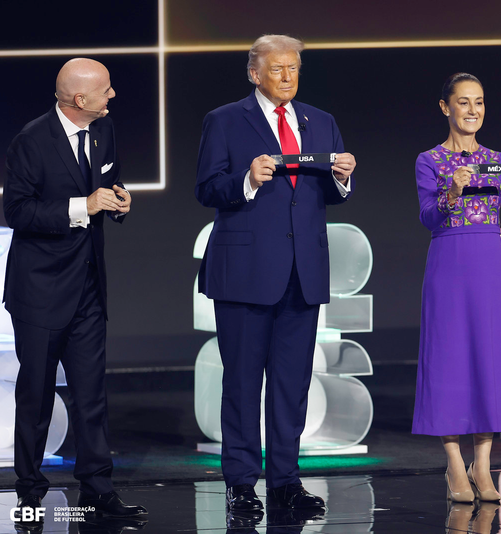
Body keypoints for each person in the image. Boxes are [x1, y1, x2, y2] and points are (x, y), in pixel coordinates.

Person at [195, 35, 356, 514]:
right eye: (278, 68)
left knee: (291, 385)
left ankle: (286, 482)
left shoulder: (321, 121)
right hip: (245, 274)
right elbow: (206, 188)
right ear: (254, 73)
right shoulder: (225, 120)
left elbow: (323, 193)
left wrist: (342, 177)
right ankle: (241, 484)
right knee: (242, 385)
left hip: (302, 274)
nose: (287, 77)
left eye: (294, 68)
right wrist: (246, 179)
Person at [3, 58, 147, 521]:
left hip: (87, 287)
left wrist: (118, 200)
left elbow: (108, 182)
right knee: (37, 396)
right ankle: (30, 493)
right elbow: (18, 212)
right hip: (40, 291)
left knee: (91, 396)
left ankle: (98, 490)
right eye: (106, 89)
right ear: (79, 99)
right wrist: (82, 205)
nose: (113, 95)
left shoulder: (103, 129)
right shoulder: (31, 141)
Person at [412, 73, 501, 502]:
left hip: (489, 268)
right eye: (464, 102)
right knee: (448, 362)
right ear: (445, 107)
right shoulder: (429, 160)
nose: (473, 110)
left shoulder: (497, 159)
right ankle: (455, 465)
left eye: (479, 102)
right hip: (448, 267)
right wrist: (452, 191)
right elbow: (428, 217)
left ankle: (483, 466)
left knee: (489, 362)